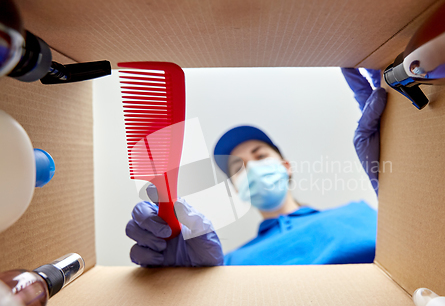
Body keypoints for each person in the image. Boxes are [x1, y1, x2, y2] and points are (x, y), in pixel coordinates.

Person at [125, 68, 387, 267]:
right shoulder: (228, 263)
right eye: (238, 168)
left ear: (286, 167)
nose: (250, 168)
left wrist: (394, 192)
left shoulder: (361, 214)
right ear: (235, 188)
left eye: (260, 156)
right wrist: (183, 285)